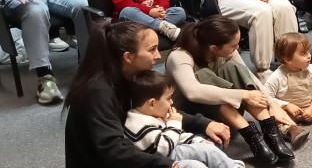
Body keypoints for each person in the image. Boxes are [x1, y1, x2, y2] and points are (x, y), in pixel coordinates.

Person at [65, 21, 231, 168]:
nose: (158, 56)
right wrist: (166, 164)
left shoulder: (129, 76)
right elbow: (113, 150)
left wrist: (203, 124)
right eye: (152, 50)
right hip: (109, 161)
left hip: (135, 148)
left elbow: (159, 109)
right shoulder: (98, 92)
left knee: (211, 145)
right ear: (128, 57)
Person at [166, 16, 296, 165]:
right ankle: (253, 139)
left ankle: (271, 132)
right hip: (190, 112)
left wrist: (272, 103)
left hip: (224, 109)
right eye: (233, 45)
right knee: (203, 76)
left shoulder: (226, 48)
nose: (238, 48)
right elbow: (192, 92)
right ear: (213, 48)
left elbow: (247, 75)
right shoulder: (179, 55)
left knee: (233, 68)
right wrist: (243, 94)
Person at [124, 70, 244, 167]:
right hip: (160, 160)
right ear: (151, 104)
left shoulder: (154, 113)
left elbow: (178, 135)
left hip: (171, 153)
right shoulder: (137, 124)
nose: (172, 102)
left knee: (209, 147)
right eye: (168, 98)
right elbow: (165, 148)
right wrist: (174, 123)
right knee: (197, 163)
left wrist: (197, 141)